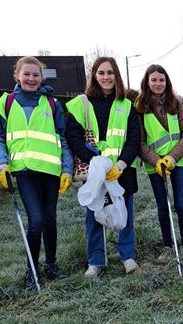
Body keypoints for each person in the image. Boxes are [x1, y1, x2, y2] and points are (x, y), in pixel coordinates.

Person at [0, 56, 73, 289]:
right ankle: (32, 269)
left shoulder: (52, 104)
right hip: (25, 171)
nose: (31, 78)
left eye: (36, 74)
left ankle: (51, 265)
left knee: (50, 219)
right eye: (26, 74)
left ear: (42, 77)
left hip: (50, 171)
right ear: (17, 76)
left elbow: (63, 139)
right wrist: (1, 164)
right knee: (36, 220)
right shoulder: (5, 103)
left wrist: (67, 169)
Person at [65, 57, 141, 277]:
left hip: (121, 171)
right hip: (95, 173)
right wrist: (94, 162)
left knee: (125, 215)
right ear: (94, 76)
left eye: (110, 73)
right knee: (94, 215)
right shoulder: (82, 103)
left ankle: (128, 257)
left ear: (116, 76)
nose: (106, 77)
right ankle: (96, 261)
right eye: (101, 73)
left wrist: (121, 164)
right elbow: (73, 136)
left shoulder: (126, 105)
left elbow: (134, 138)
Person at [135, 64, 183, 260]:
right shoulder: (140, 107)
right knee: (163, 206)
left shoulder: (175, 103)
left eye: (162, 80)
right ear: (147, 82)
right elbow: (140, 142)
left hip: (177, 162)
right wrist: (157, 161)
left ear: (167, 82)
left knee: (181, 205)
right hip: (155, 166)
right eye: (154, 80)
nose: (158, 83)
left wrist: (171, 158)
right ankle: (168, 245)